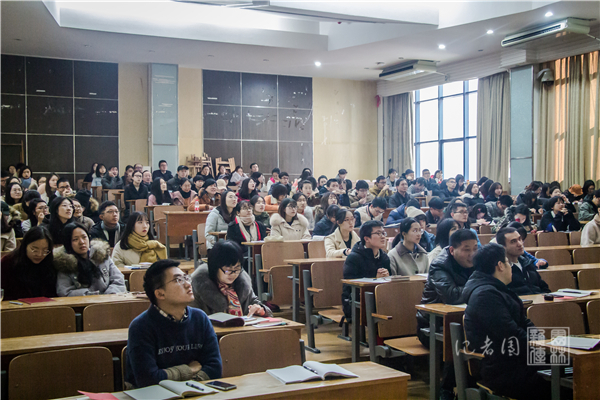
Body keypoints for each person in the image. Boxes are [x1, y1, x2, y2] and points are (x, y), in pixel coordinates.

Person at [462, 243, 551, 400]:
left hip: (518, 360)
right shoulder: (485, 296)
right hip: (504, 369)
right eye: (508, 263)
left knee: (571, 366)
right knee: (567, 377)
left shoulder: (496, 289)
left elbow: (525, 323)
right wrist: (542, 352)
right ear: (500, 266)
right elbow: (511, 335)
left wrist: (544, 345)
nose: (511, 267)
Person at [126, 259, 222, 388]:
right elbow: (148, 379)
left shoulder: (200, 318)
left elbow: (215, 368)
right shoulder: (141, 327)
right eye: (178, 280)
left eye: (186, 278)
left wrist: (190, 384)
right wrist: (188, 370)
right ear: (160, 294)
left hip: (198, 393)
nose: (188, 284)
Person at [416, 229, 478, 399]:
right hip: (432, 326)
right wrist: (480, 285)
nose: (472, 254)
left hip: (465, 321)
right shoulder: (440, 265)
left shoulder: (477, 262)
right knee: (458, 337)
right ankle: (447, 389)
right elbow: (452, 296)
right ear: (452, 250)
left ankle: (475, 387)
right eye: (466, 249)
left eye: (475, 248)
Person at [191, 240, 272, 317]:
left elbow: (255, 302)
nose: (233, 274)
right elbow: (192, 319)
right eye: (228, 270)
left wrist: (261, 309)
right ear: (215, 268)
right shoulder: (198, 286)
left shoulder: (243, 283)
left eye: (237, 269)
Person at [54, 222, 126, 296]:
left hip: (108, 300)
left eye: (84, 237)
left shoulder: (102, 255)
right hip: (82, 302)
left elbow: (118, 280)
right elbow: (64, 291)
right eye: (75, 239)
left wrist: (108, 295)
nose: (82, 242)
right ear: (68, 243)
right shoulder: (65, 263)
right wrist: (91, 295)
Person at [342, 220, 390, 318]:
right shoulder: (354, 258)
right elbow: (351, 288)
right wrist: (375, 279)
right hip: (356, 304)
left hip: (381, 299)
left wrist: (388, 277)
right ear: (367, 238)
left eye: (383, 233)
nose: (383, 237)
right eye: (378, 233)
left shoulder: (384, 257)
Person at [1, 226, 57, 300]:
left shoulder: (50, 262)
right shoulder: (8, 263)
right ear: (25, 246)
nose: (39, 254)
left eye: (45, 251)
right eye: (34, 250)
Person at [496, 227, 550, 295]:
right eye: (513, 241)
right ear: (502, 247)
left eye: (520, 239)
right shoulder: (501, 270)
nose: (520, 244)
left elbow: (544, 288)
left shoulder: (527, 263)